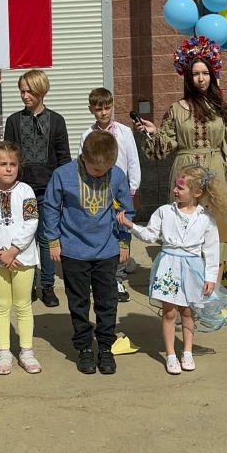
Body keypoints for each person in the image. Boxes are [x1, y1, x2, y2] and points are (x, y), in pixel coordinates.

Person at [137, 36, 227, 277]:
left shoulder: (222, 109)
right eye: (196, 74)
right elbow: (165, 147)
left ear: (212, 75)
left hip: (216, 173)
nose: (201, 78)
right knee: (185, 231)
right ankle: (187, 290)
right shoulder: (176, 109)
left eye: (205, 73)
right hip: (185, 173)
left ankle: (213, 293)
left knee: (217, 231)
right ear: (188, 78)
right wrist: (153, 133)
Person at [117, 165, 227, 374]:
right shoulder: (164, 212)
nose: (175, 190)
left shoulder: (206, 218)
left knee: (188, 312)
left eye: (180, 188)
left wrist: (210, 277)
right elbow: (150, 235)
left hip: (192, 268)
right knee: (169, 312)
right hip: (169, 266)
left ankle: (187, 351)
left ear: (197, 192)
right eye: (175, 186)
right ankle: (171, 354)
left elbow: (211, 251)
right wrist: (130, 225)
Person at [44, 131, 134, 375]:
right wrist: (53, 240)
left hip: (107, 249)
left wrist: (124, 241)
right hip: (73, 250)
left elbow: (126, 210)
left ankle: (105, 347)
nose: (100, 174)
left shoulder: (117, 175)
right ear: (83, 157)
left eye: (105, 170)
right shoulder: (62, 175)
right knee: (79, 301)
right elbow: (51, 207)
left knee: (107, 301)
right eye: (95, 170)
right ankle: (84, 347)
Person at [4, 69, 71, 307]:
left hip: (48, 190)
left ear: (41, 91)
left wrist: (64, 191)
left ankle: (47, 286)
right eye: (22, 91)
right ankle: (28, 285)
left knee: (46, 238)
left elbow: (64, 159)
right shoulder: (14, 121)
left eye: (29, 91)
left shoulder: (57, 121)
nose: (25, 96)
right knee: (24, 238)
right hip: (21, 190)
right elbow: (7, 156)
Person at [0, 141, 41, 375]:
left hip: (24, 258)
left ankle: (26, 351)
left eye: (13, 164)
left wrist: (13, 250)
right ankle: (4, 352)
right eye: (3, 164)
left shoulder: (26, 191)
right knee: (2, 306)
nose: (8, 168)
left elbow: (31, 222)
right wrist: (1, 253)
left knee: (23, 305)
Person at [79, 87, 141, 303]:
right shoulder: (87, 135)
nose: (104, 112)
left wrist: (133, 188)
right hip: (97, 191)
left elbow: (133, 161)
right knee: (100, 230)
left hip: (121, 191)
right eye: (99, 109)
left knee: (122, 230)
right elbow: (81, 164)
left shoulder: (124, 132)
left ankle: (118, 277)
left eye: (107, 107)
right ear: (91, 110)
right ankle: (97, 275)